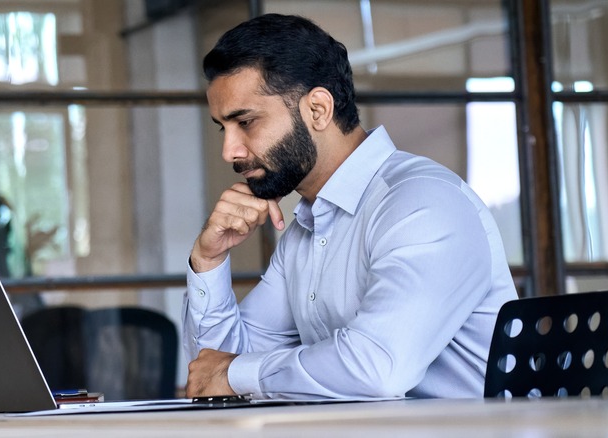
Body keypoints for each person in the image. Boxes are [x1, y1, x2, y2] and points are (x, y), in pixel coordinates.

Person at [183, 13, 517, 400]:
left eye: (246, 122)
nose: (230, 151)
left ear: (318, 110)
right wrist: (209, 261)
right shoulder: (304, 232)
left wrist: (234, 373)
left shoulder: (422, 205)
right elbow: (216, 371)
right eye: (223, 128)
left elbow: (377, 369)